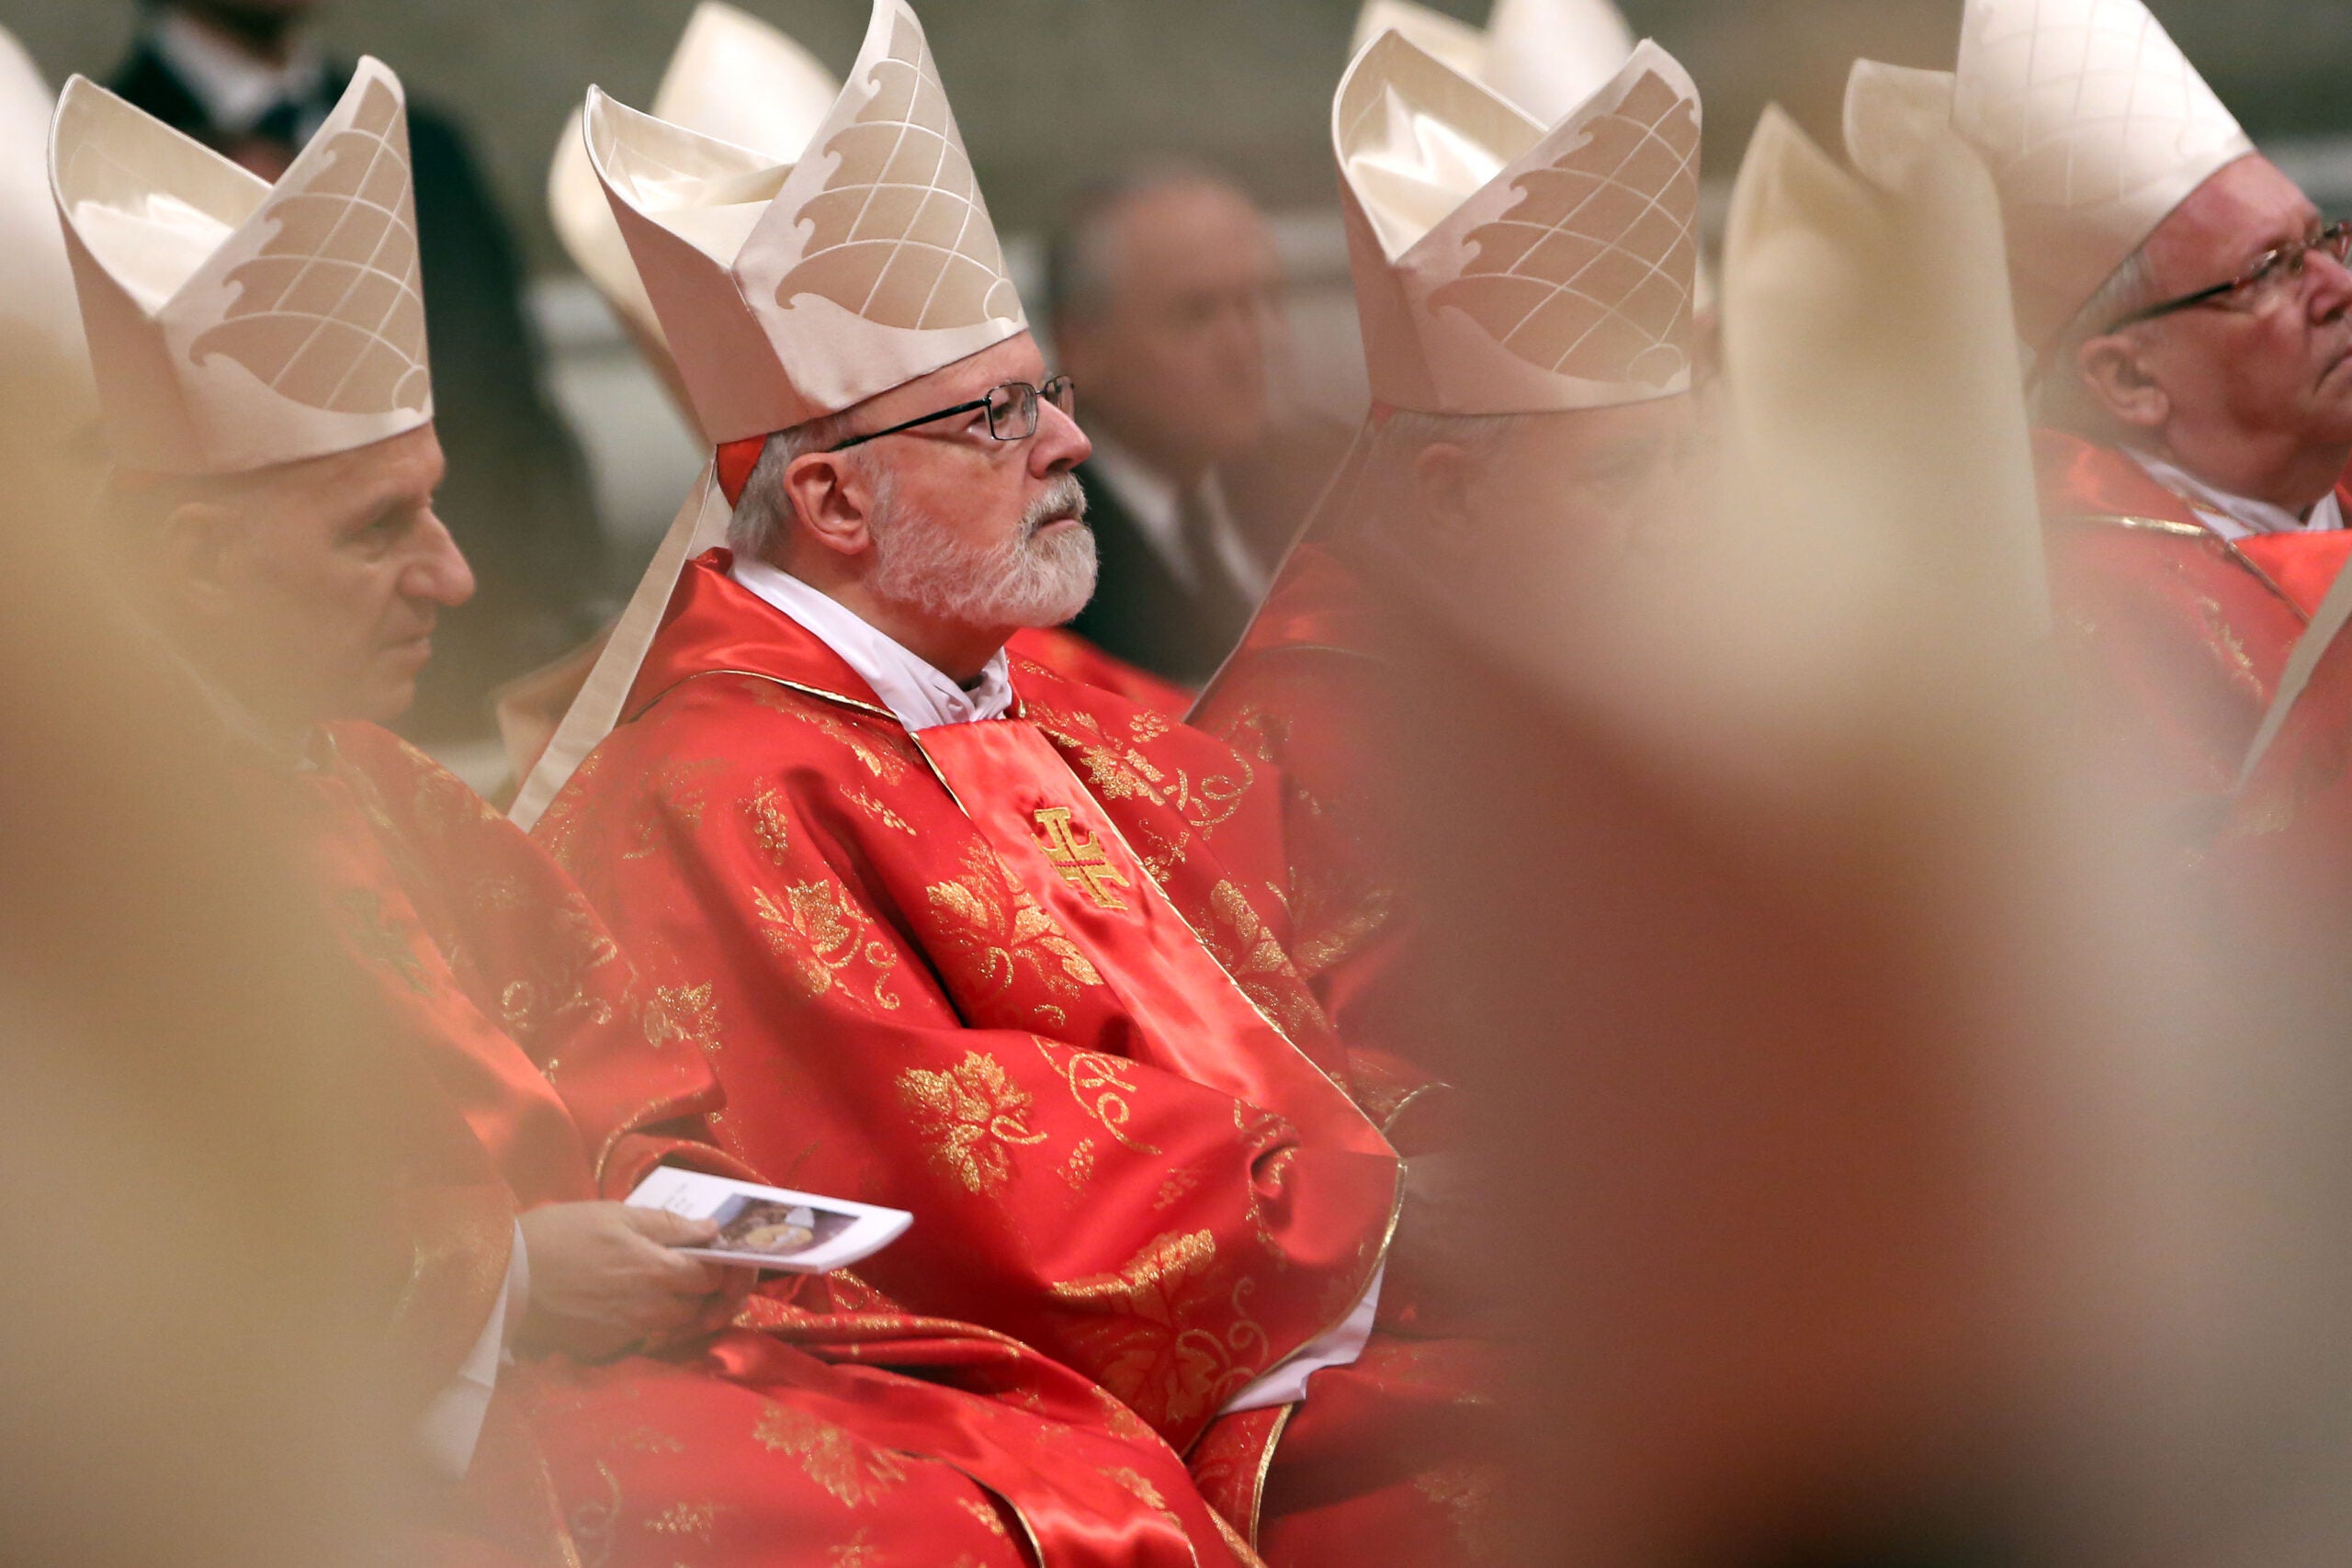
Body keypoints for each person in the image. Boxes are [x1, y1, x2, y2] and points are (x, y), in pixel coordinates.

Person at [51, 59, 1255, 1568]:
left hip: (618, 1360)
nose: (454, 578)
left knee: (1068, 1464)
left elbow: (617, 1063)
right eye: (376, 529)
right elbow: (103, 1279)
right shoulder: (70, 870)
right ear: (199, 564)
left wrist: (663, 1210)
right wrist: (505, 1288)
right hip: (388, 1449)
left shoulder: (375, 780)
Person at [524, 5, 1488, 1562]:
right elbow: (964, 1163)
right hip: (1133, 1390)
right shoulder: (723, 781)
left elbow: (1277, 976)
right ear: (832, 499)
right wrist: (1386, 1223)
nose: (1071, 438)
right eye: (998, 414)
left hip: (1309, 1310)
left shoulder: (994, 701)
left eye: (1040, 396)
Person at [1193, 29, 1704, 1095]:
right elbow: (1332, 1104)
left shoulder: (1598, 652)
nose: (1677, 526)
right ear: (1450, 494)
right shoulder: (1292, 738)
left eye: (1685, 463)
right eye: (1620, 477)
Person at [1858, 0, 2352, 824]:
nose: (2338, 290)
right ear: (2127, 379)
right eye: (2268, 271)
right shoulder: (2078, 630)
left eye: (2325, 240)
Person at [106, 0, 606, 739]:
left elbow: (518, 419)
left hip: (486, 693)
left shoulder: (429, 149)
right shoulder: (99, 165)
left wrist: (553, 637)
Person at [1047, 165, 1320, 685]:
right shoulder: (1039, 550)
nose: (1251, 345)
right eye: (1198, 313)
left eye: (1263, 302)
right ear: (1080, 344)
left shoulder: (1324, 474)